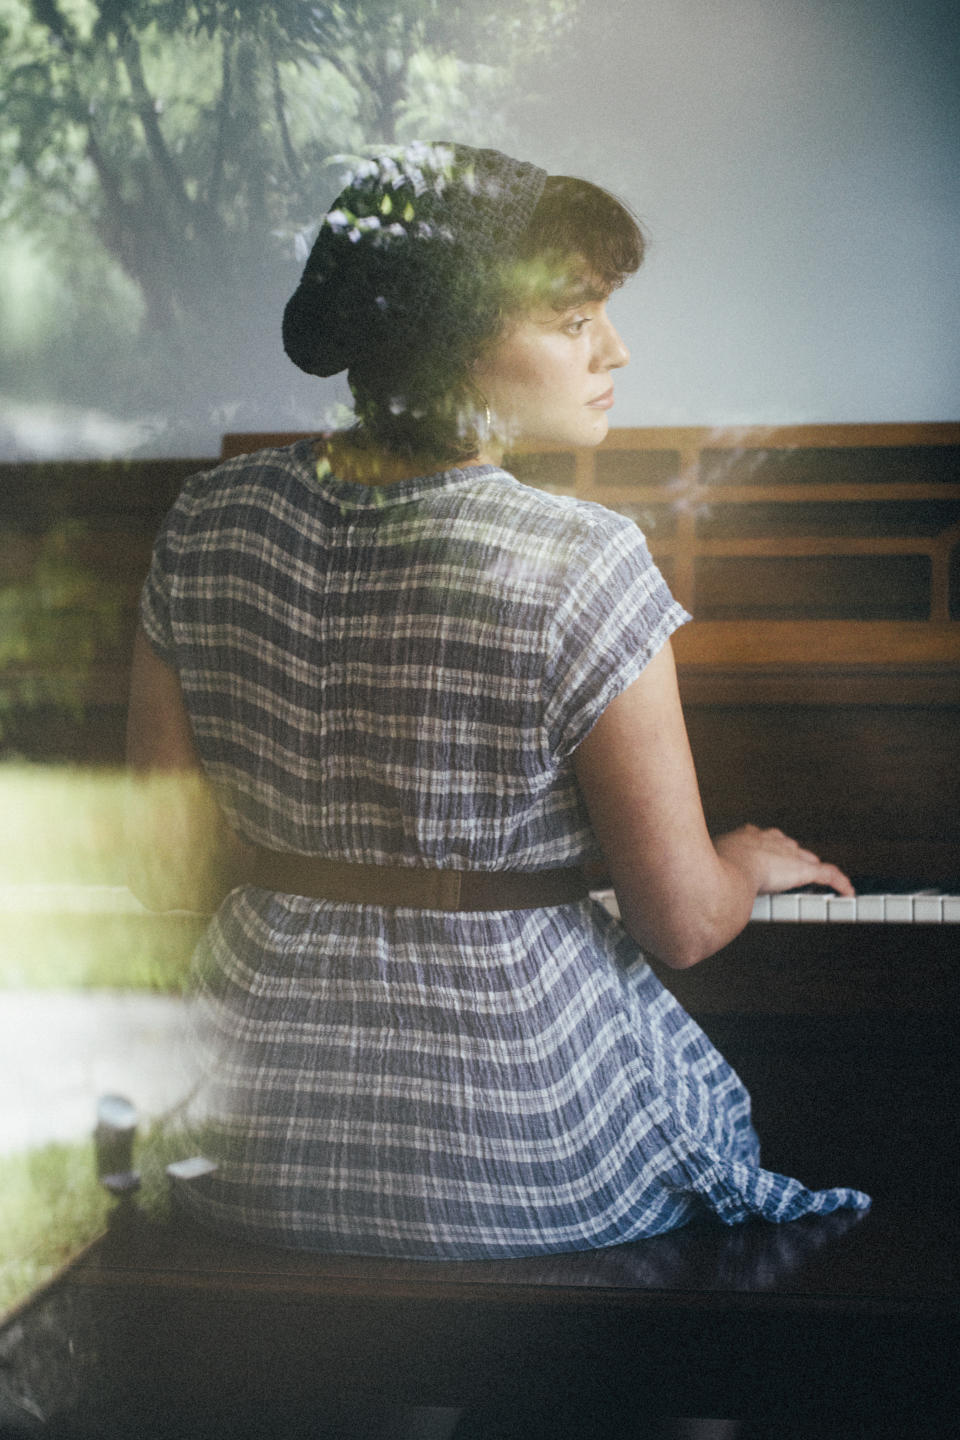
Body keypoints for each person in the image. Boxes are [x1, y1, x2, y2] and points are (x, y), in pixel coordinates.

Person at [126, 142, 869, 1263]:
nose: (614, 349)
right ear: (457, 338)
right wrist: (748, 863)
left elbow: (159, 871)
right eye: (574, 322)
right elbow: (677, 921)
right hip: (528, 1150)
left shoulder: (205, 519)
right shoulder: (585, 558)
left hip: (249, 1143)